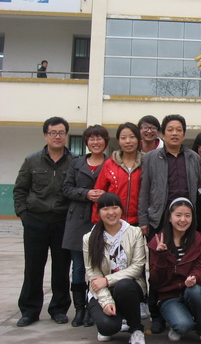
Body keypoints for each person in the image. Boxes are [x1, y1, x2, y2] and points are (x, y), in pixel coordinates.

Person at [138, 114, 201, 333]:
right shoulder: (150, 158)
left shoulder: (193, 157)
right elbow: (144, 190)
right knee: (157, 269)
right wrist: (144, 220)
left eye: (179, 130)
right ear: (163, 134)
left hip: (185, 221)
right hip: (158, 220)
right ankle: (156, 315)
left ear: (184, 134)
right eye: (170, 130)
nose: (175, 133)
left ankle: (181, 309)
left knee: (183, 266)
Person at [13, 116, 73, 327]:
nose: (57, 136)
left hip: (62, 222)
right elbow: (20, 190)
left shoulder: (74, 162)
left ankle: (59, 309)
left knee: (62, 268)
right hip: (36, 221)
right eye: (53, 133)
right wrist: (24, 215)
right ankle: (29, 310)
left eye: (61, 133)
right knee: (33, 268)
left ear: (66, 135)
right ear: (46, 135)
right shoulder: (32, 161)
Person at [83, 193, 147, 344]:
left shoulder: (135, 232)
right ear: (98, 212)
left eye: (114, 207)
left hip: (129, 287)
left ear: (121, 210)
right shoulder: (89, 238)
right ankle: (113, 317)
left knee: (124, 286)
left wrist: (107, 280)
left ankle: (136, 329)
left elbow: (137, 267)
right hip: (101, 290)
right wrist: (106, 301)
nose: (111, 212)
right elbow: (93, 274)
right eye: (105, 209)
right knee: (108, 327)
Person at [147, 197, 201, 344]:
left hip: (190, 291)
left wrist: (194, 278)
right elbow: (155, 280)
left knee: (195, 291)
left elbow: (199, 267)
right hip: (168, 296)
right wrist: (161, 256)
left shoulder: (199, 240)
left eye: (187, 215)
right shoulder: (157, 241)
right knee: (183, 326)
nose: (183, 220)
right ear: (169, 218)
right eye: (178, 215)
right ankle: (177, 322)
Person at [62, 124, 110, 327]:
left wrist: (105, 196)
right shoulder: (76, 163)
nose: (96, 142)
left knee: (99, 266)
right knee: (79, 267)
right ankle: (79, 309)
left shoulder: (111, 162)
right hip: (77, 220)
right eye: (92, 139)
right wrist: (86, 193)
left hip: (102, 220)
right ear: (86, 142)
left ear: (106, 141)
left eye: (99, 138)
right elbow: (66, 188)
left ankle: (94, 308)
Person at [93, 122, 142, 225]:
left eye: (132, 137)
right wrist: (97, 221)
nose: (128, 141)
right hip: (113, 221)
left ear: (138, 139)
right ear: (118, 141)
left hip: (139, 222)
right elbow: (99, 194)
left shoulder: (146, 163)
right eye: (123, 138)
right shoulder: (109, 164)